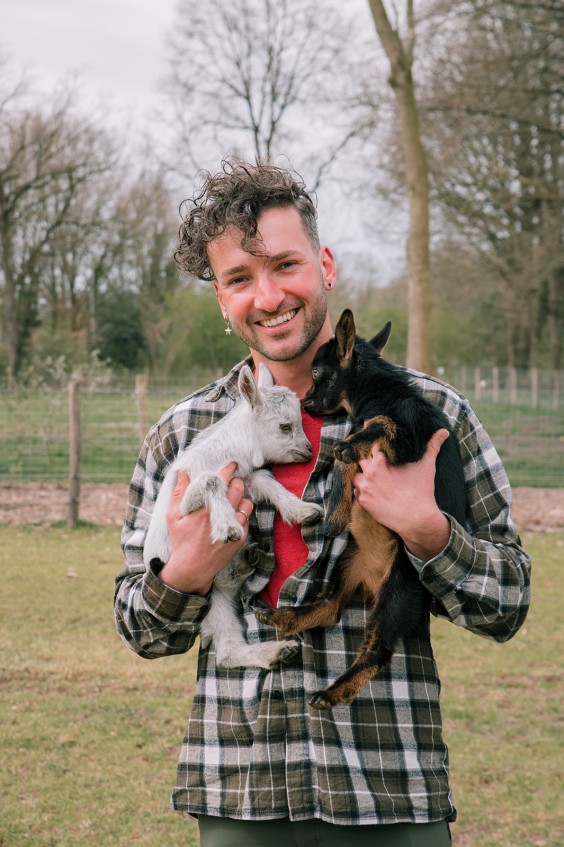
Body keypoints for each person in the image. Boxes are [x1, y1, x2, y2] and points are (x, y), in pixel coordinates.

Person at [114, 158, 531, 847]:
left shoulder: (430, 418)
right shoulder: (181, 438)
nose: (269, 295)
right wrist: (182, 574)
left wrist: (428, 531)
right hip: (241, 796)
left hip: (389, 793)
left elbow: (508, 604)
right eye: (240, 279)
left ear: (325, 264)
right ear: (220, 298)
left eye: (286, 265)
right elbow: (140, 628)